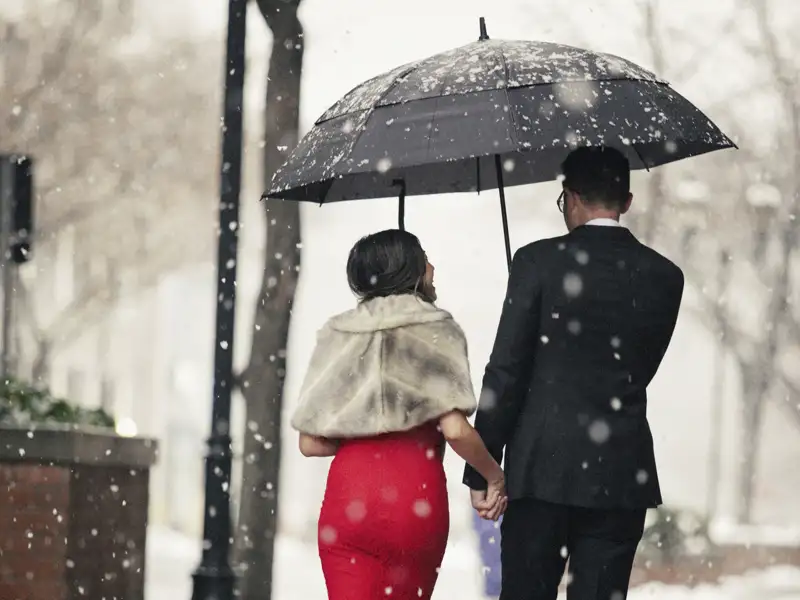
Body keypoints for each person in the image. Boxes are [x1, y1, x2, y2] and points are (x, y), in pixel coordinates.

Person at [463, 146, 685, 600]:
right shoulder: (666, 275)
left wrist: (482, 469)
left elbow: (505, 370)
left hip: (540, 469)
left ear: (570, 197)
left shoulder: (535, 262)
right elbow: (641, 367)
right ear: (627, 201)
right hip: (621, 473)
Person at [292, 229, 508, 600]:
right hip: (414, 502)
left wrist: (362, 430)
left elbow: (310, 443)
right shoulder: (436, 328)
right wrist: (494, 475)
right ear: (412, 271)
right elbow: (455, 429)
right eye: (425, 258)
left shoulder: (336, 334)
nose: (432, 267)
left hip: (348, 503)